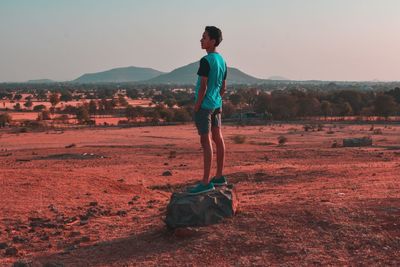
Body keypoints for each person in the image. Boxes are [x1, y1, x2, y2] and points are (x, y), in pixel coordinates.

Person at [187, 26, 228, 195]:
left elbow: (203, 86)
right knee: (218, 138)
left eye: (204, 37)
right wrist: (216, 99)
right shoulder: (222, 61)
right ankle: (218, 177)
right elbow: (223, 88)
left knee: (206, 142)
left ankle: (205, 182)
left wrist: (197, 106)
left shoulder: (206, 60)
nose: (201, 40)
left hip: (205, 106)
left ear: (212, 41)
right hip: (217, 104)